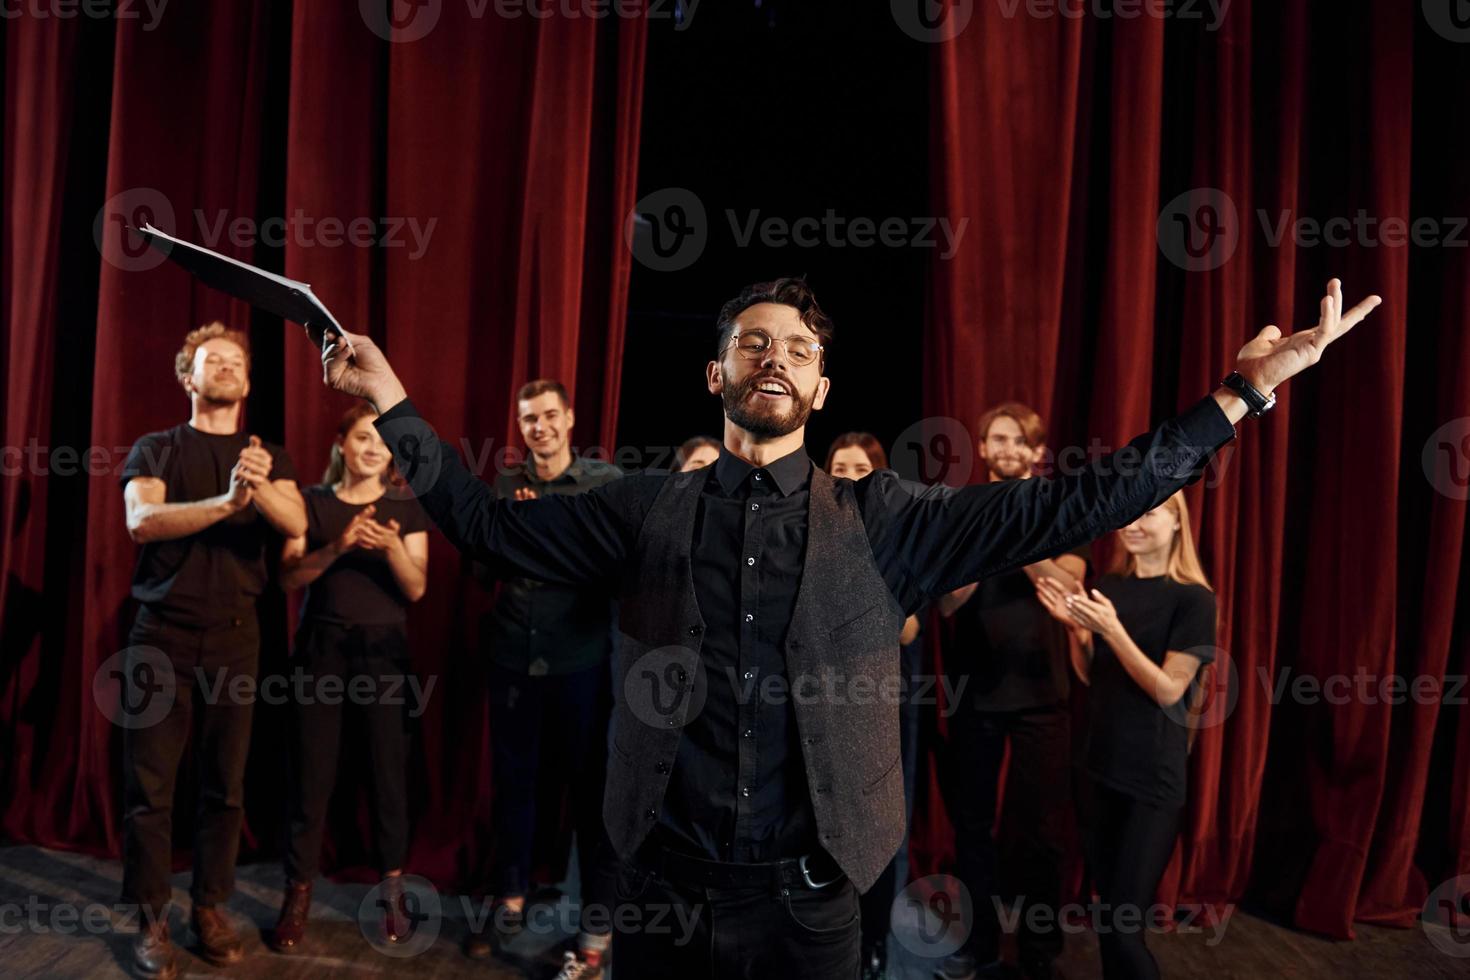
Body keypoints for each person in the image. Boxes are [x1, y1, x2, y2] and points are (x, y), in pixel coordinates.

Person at [313, 276, 1378, 978]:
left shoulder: (891, 521)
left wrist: (1240, 395)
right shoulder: (641, 508)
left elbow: (1077, 501)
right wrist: (398, 402)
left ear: (821, 385)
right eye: (751, 342)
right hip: (663, 898)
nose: (774, 356)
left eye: (797, 347)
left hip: (814, 906)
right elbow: (486, 526)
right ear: (715, 374)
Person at [119, 323, 306, 979]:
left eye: (235, 361)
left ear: (248, 382)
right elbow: (143, 521)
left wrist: (262, 489)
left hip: (237, 636)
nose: (225, 366)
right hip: (160, 635)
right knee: (151, 789)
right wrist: (229, 502)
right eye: (210, 360)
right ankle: (150, 920)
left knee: (225, 788)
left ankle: (209, 908)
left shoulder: (269, 457)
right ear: (186, 376)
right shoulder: (156, 449)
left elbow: (299, 526)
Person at [461, 379, 624, 980]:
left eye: (550, 415)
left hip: (579, 661)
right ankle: (509, 898)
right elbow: (482, 572)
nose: (541, 427)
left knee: (589, 796)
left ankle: (595, 925)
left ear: (570, 417)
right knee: (514, 785)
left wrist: (541, 529)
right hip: (511, 658)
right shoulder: (504, 484)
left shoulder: (602, 485)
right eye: (529, 419)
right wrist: (513, 530)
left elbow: (610, 568)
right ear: (521, 425)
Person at [268, 402, 431, 953]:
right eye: (362, 436)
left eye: (381, 440)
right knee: (310, 778)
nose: (372, 446)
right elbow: (289, 577)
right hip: (321, 652)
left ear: (390, 453)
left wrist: (387, 549)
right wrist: (338, 546)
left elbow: (416, 588)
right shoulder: (309, 504)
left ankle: (392, 891)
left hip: (384, 657)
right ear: (342, 443)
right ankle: (297, 893)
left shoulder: (404, 508)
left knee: (389, 775)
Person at [935, 402, 1089, 980]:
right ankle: (977, 944)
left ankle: (1039, 950)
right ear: (983, 446)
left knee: (1043, 831)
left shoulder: (1060, 509)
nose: (1004, 447)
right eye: (995, 438)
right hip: (974, 695)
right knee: (972, 827)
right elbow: (948, 602)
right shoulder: (963, 509)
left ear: (1036, 451)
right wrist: (983, 535)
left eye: (1015, 439)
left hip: (1043, 698)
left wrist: (1014, 536)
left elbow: (1068, 582)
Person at [1035, 490, 1216, 980]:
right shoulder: (1112, 584)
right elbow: (1094, 675)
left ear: (1178, 523)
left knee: (1122, 929)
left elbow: (1168, 689)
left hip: (1150, 782)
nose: (1133, 524)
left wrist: (1112, 631)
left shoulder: (1194, 599)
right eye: (1129, 516)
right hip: (1098, 770)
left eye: (1149, 513)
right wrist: (1079, 634)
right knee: (1107, 918)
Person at [826, 432, 924, 980]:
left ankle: (873, 945)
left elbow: (908, 631)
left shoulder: (898, 535)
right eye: (840, 466)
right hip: (819, 700)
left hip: (882, 704)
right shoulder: (806, 524)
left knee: (880, 828)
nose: (849, 475)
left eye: (860, 468)